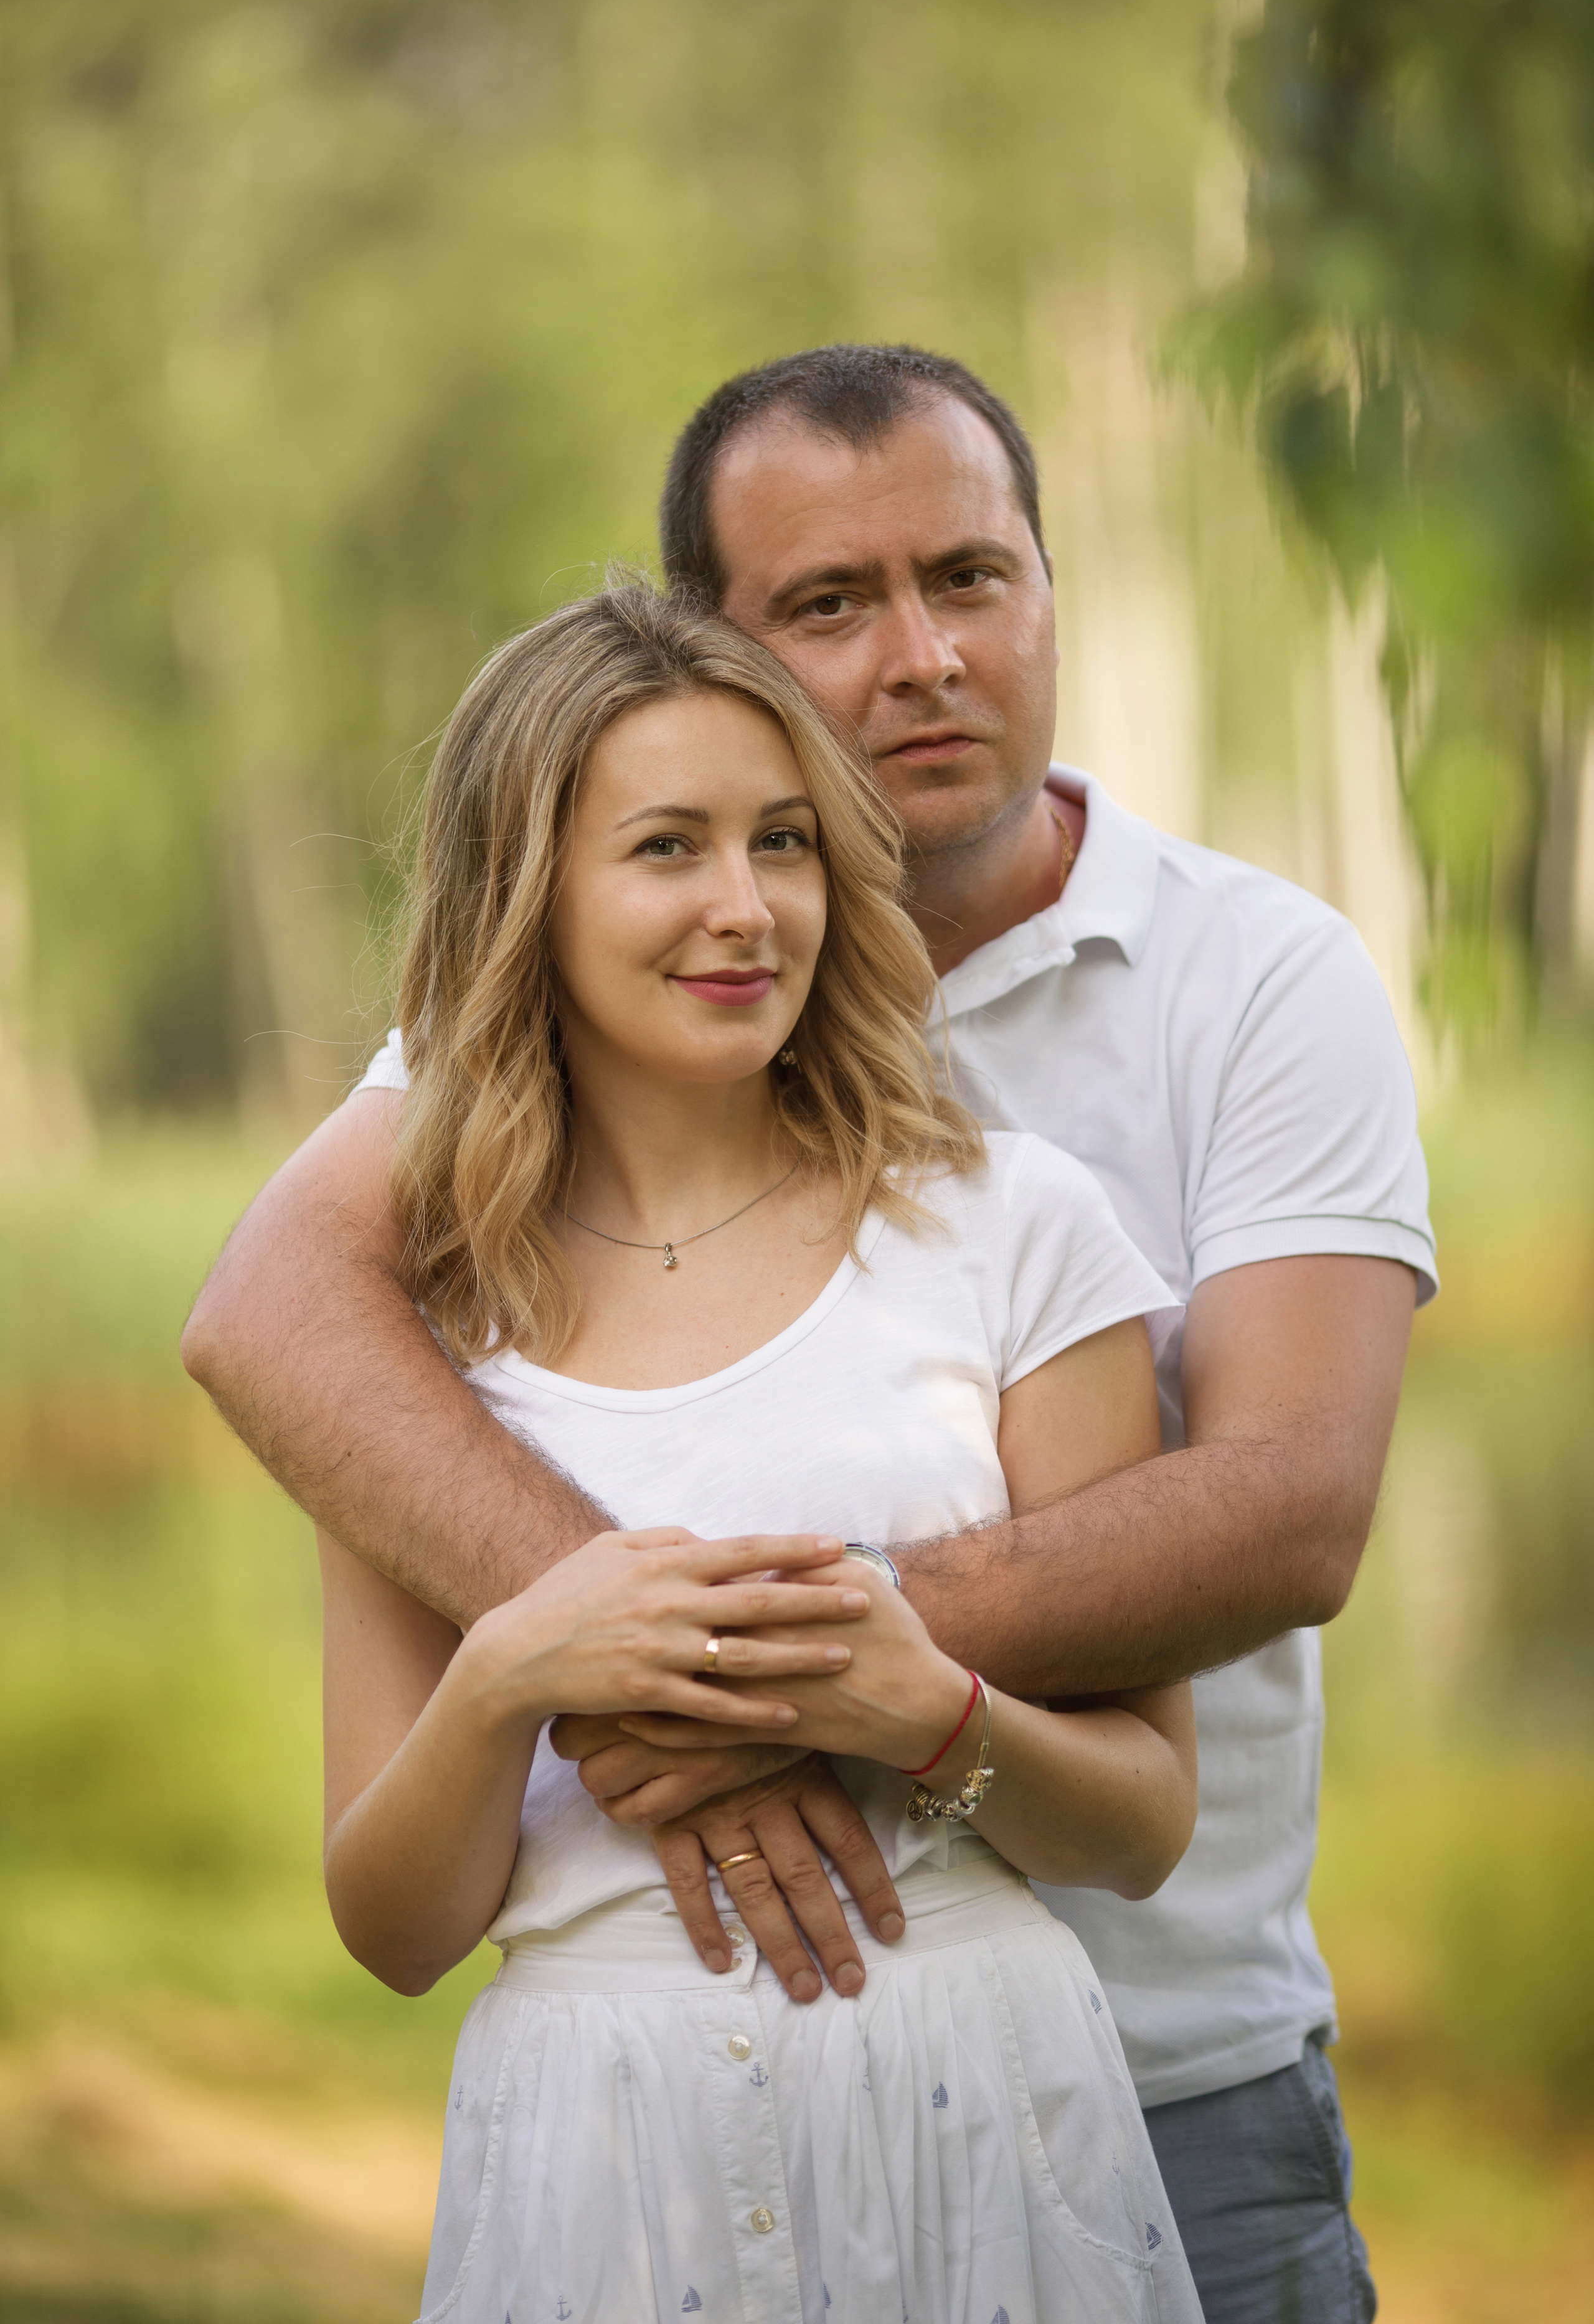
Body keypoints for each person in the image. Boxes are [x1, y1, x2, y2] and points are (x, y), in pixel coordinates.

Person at [184, 344, 1435, 2324]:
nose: (925, 656)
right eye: (832, 606)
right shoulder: (541, 1063)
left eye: (971, 576)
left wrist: (762, 1670)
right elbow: (275, 1315)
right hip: (631, 2137)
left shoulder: (1246, 985)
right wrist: (568, 1656)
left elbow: (1288, 1516)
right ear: (711, 654)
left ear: (1048, 587)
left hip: (1155, 2072)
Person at [329, 579, 1202, 2323]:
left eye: (786, 843)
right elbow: (395, 1931)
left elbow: (1145, 1823)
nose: (746, 910)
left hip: (982, 2122)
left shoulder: (1014, 1226)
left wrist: (923, 1712)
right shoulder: (419, 1321)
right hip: (599, 2156)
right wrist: (512, 1672)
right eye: (669, 848)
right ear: (532, 897)